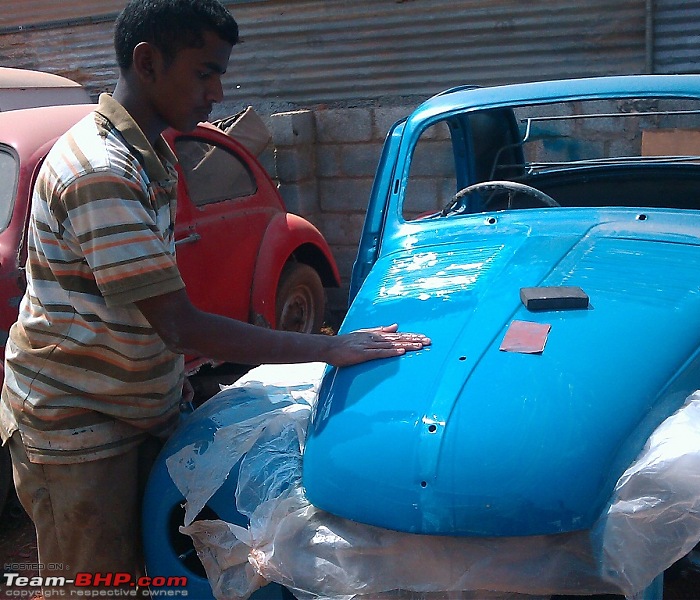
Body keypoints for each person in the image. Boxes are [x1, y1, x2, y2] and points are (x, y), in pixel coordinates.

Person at [0, 0, 429, 596]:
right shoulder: (100, 168)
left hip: (133, 402)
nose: (218, 92)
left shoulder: (154, 152)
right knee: (97, 585)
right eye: (205, 72)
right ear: (148, 63)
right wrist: (330, 349)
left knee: (153, 570)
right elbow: (181, 325)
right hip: (79, 425)